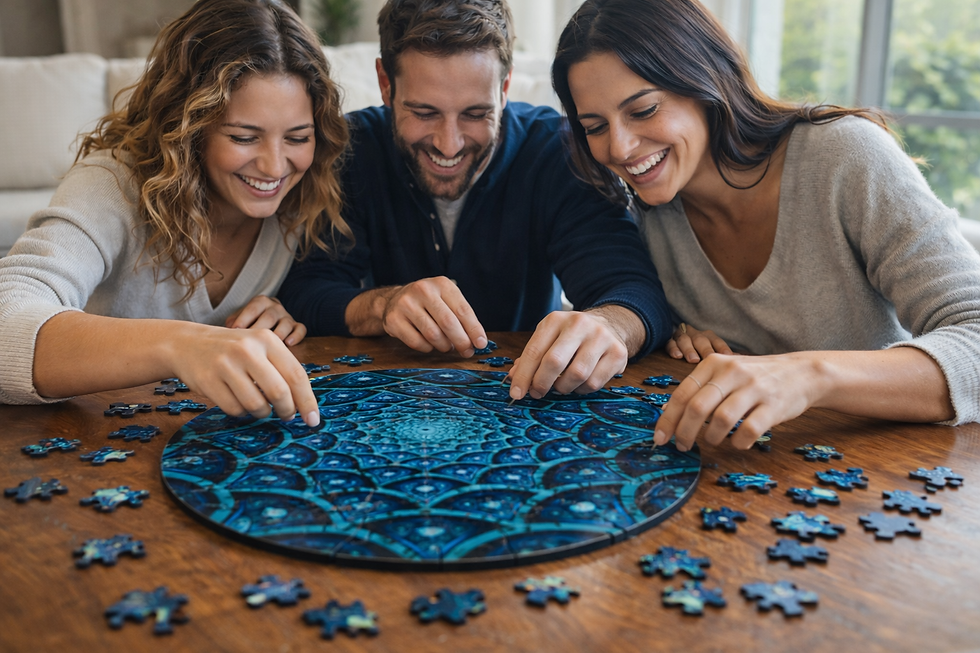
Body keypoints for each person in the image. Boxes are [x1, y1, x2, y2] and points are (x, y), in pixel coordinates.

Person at [551, 0, 980, 451]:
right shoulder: (646, 214)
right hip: (758, 476)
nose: (619, 147)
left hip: (896, 467)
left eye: (644, 110)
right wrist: (672, 330)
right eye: (595, 127)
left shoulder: (845, 156)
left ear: (704, 80)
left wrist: (807, 375)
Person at [277, 0, 673, 401]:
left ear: (504, 88)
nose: (449, 144)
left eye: (475, 113)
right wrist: (383, 305)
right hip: (388, 398)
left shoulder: (557, 151)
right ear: (385, 83)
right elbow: (307, 291)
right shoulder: (351, 150)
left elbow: (634, 291)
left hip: (524, 401)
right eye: (424, 112)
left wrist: (609, 324)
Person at [0, 0, 350, 427]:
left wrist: (282, 309)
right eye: (243, 137)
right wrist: (181, 345)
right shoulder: (112, 185)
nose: (275, 167)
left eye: (298, 137)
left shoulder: (303, 194)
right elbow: (6, 320)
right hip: (94, 438)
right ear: (187, 127)